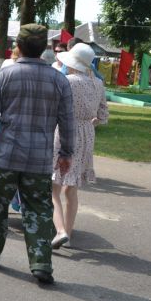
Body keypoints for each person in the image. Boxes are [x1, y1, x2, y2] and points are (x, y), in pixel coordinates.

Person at [0, 24, 74, 285]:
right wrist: (66, 153)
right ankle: (41, 263)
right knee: (39, 210)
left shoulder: (5, 75)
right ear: (45, 48)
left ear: (17, 46)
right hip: (39, 160)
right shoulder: (59, 80)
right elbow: (67, 122)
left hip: (5, 156)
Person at [51, 43, 109, 249]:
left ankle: (60, 231)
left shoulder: (67, 81)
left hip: (64, 131)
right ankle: (68, 233)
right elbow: (103, 115)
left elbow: (54, 108)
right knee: (71, 188)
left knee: (53, 187)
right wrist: (88, 122)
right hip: (87, 134)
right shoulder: (98, 84)